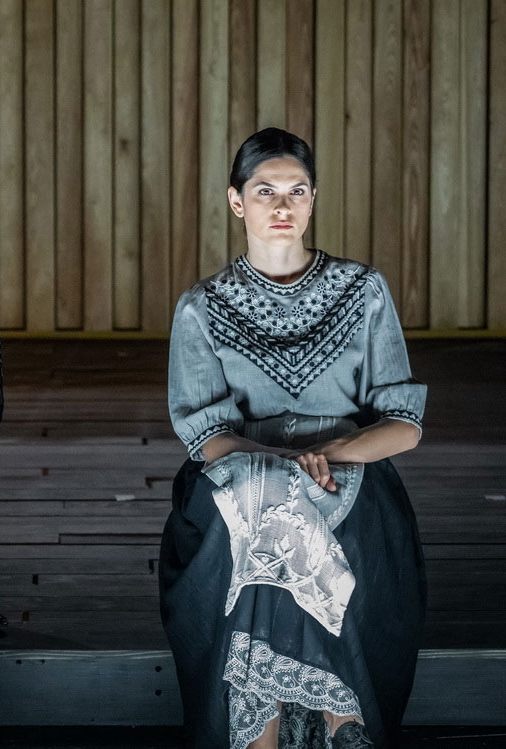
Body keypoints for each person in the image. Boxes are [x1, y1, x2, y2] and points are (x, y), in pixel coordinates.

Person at [160, 128, 427, 748]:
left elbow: (404, 425)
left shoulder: (363, 291)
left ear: (313, 200)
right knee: (268, 504)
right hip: (241, 471)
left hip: (350, 471)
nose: (282, 206)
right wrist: (281, 469)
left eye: (297, 191)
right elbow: (207, 436)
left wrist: (324, 456)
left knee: (285, 513)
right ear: (236, 201)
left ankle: (270, 737)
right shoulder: (202, 306)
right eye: (265, 191)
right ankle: (341, 723)